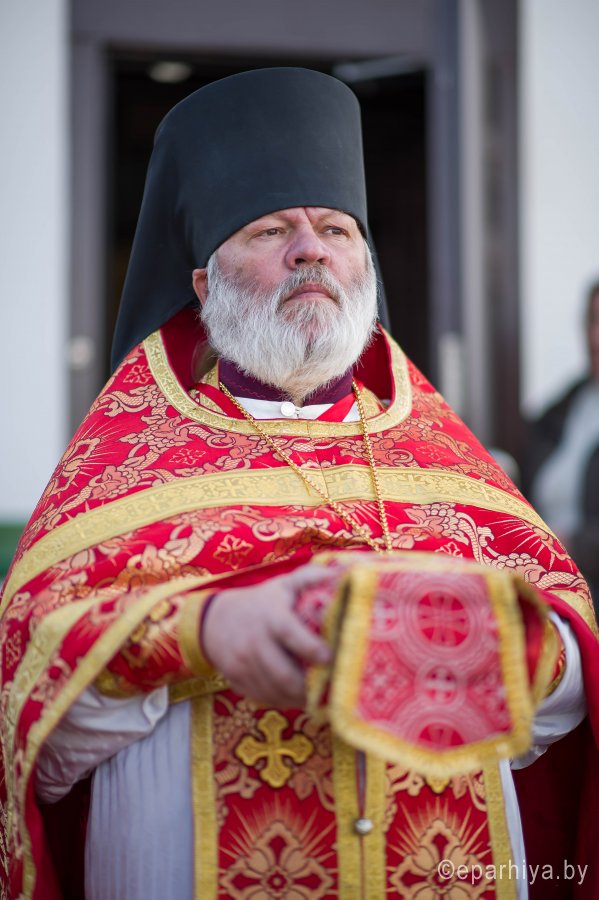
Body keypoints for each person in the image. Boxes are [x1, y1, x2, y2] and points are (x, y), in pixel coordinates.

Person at [0, 68, 597, 900]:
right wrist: (200, 634)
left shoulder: (446, 462)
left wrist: (490, 644)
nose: (310, 248)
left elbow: (569, 689)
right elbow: (32, 718)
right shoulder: (126, 463)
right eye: (271, 229)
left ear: (364, 269)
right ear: (204, 285)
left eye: (335, 229)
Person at [522, 281, 599, 613]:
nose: (596, 338)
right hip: (543, 574)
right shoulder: (563, 408)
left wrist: (571, 545)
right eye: (593, 321)